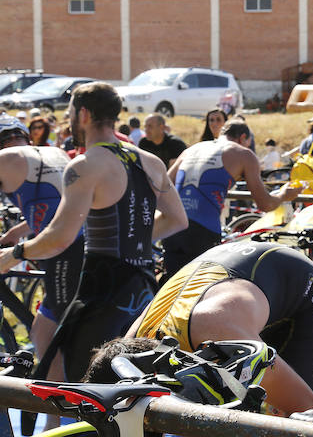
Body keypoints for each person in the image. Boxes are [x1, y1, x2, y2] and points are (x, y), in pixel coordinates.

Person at [0, 82, 189, 382]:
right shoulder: (149, 161)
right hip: (143, 291)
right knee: (139, 390)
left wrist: (16, 253)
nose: (68, 119)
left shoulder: (85, 166)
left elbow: (60, 237)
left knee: (86, 394)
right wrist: (134, 239)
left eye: (71, 111)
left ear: (84, 114)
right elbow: (178, 219)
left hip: (101, 293)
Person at [127, 240, 313, 414]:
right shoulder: (130, 344)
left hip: (306, 287)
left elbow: (302, 406)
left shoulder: (218, 335)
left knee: (308, 415)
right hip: (229, 268)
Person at [0, 115, 86, 420]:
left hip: (62, 253)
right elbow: (58, 204)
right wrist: (16, 233)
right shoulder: (53, 153)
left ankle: (63, 416)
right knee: (43, 331)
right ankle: (56, 415)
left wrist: (12, 250)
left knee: (55, 341)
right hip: (79, 247)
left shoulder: (6, 158)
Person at [162, 119, 300, 282]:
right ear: (243, 138)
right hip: (203, 229)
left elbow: (163, 185)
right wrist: (285, 194)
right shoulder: (243, 154)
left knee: (170, 289)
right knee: (198, 290)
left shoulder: (191, 150)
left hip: (173, 226)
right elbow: (265, 203)